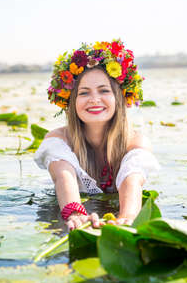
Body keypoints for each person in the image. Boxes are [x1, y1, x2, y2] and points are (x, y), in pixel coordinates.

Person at [34, 40, 160, 231]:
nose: (94, 99)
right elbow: (63, 177)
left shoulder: (135, 142)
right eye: (84, 93)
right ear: (72, 102)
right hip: (64, 205)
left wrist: (126, 217)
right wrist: (75, 213)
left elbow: (132, 180)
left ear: (119, 99)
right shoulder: (59, 140)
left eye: (104, 90)